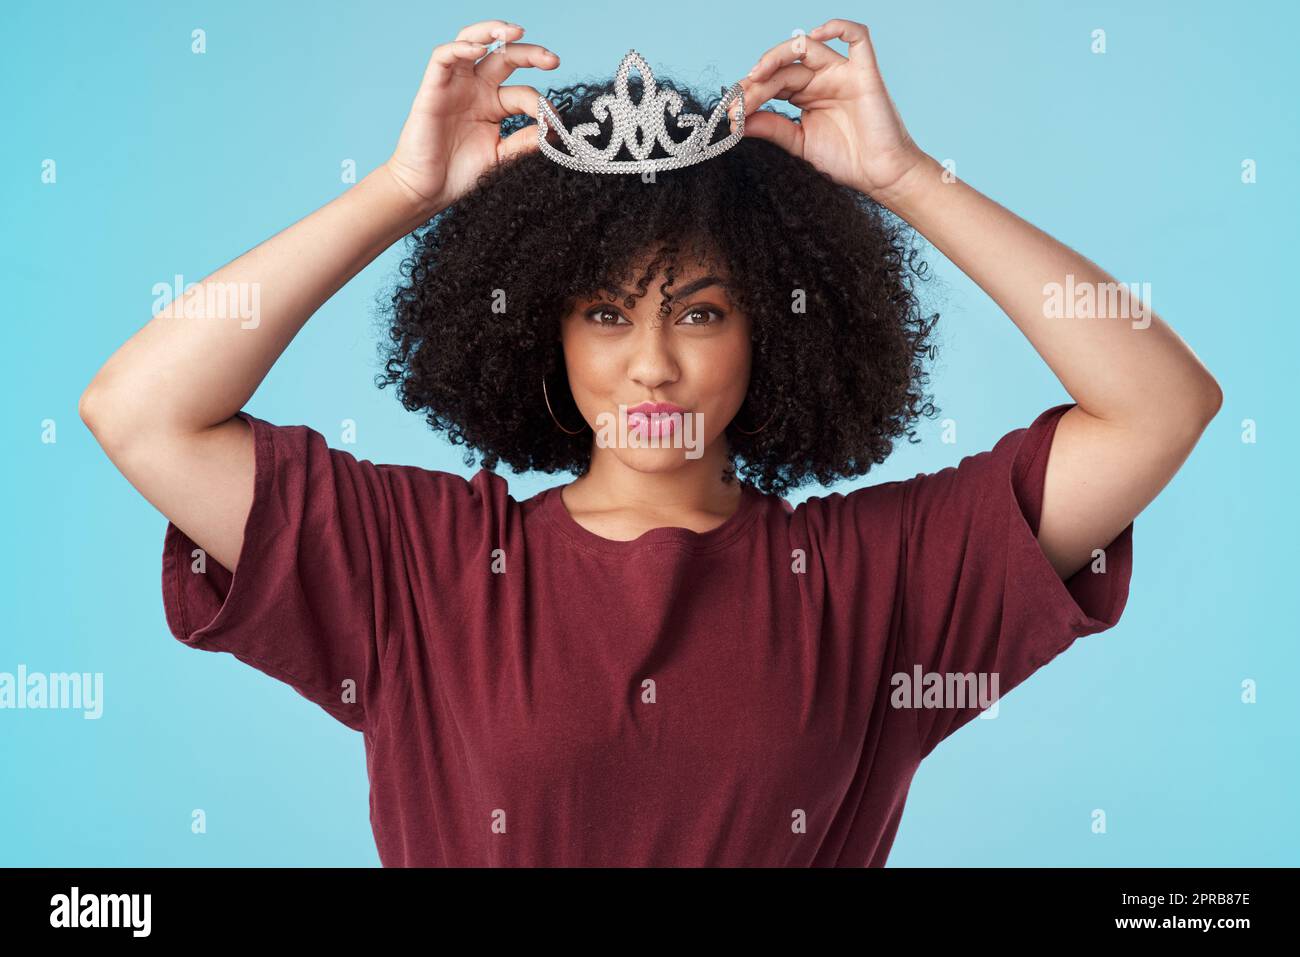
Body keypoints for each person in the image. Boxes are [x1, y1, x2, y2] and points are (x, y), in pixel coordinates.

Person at [80, 18, 1221, 866]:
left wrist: (901, 179)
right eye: (608, 312)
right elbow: (139, 412)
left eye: (703, 312)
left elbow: (1157, 407)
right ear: (542, 331)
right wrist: (404, 190)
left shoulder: (885, 584)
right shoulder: (419, 567)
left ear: (771, 333)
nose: (654, 365)